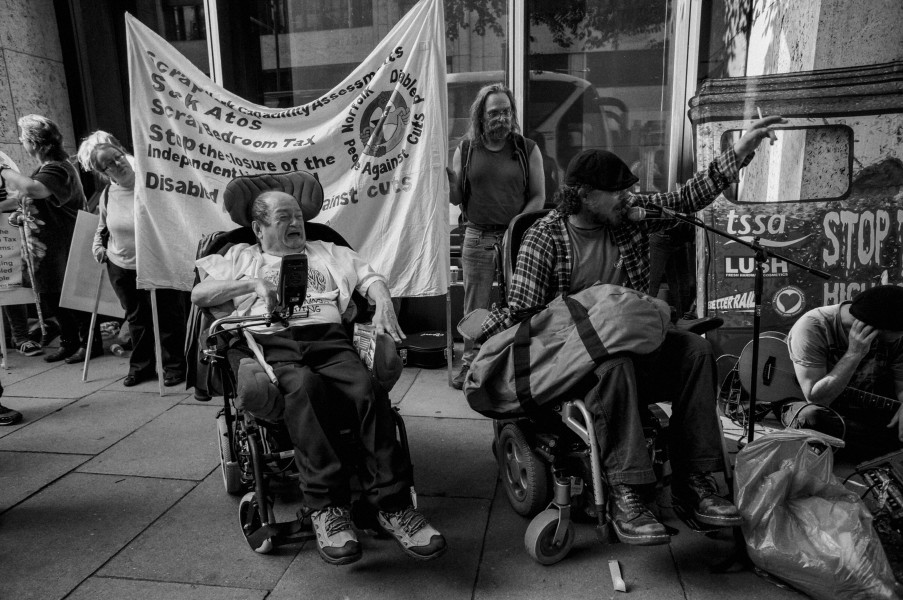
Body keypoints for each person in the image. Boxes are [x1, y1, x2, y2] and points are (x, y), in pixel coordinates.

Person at [476, 114, 785, 545]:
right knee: (614, 362)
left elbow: (685, 197)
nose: (628, 196)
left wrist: (740, 153)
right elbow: (525, 313)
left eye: (628, 189)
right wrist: (482, 338)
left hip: (635, 341)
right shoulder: (545, 238)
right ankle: (627, 491)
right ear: (583, 195)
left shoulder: (630, 221)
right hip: (577, 361)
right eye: (617, 191)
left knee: (694, 348)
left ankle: (694, 481)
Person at [191, 190, 446, 565]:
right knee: (303, 389)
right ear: (259, 229)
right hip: (273, 339)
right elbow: (200, 293)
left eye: (298, 216)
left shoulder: (326, 250)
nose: (296, 223)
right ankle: (328, 509)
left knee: (367, 391)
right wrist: (252, 284)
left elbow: (369, 276)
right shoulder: (242, 256)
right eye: (283, 217)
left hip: (329, 339)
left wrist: (384, 302)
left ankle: (393, 507)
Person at [447, 83, 545, 389]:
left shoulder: (526, 149)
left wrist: (514, 229)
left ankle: (509, 364)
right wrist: (447, 177)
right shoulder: (466, 150)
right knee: (475, 305)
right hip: (476, 236)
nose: (501, 118)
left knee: (516, 303)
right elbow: (455, 198)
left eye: (505, 111)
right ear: (481, 115)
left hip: (516, 239)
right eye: (494, 112)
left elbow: (538, 197)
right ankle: (469, 364)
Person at [84, 139, 187, 387]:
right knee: (136, 319)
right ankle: (142, 367)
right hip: (121, 265)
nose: (117, 164)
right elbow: (103, 225)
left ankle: (174, 366)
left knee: (167, 317)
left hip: (158, 262)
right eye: (109, 164)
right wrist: (98, 247)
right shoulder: (108, 194)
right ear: (103, 172)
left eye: (118, 156)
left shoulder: (152, 185)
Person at [2, 115, 101, 364]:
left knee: (73, 299)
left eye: (24, 139)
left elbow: (35, 190)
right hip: (47, 250)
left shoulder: (58, 168)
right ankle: (69, 343)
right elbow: (36, 200)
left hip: (63, 245)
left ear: (37, 143)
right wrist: (20, 215)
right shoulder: (45, 168)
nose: (22, 142)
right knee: (55, 299)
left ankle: (90, 344)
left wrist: (3, 170)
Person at [785, 285, 903, 458]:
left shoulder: (896, 339)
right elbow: (816, 398)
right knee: (810, 418)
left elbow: (901, 385)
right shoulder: (812, 327)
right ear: (879, 327)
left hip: (865, 410)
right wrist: (854, 354)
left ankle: (839, 446)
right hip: (819, 408)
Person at [0, 159, 42, 357]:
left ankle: (21, 338)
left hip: (4, 232)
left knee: (10, 283)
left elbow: (18, 198)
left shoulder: (2, 163)